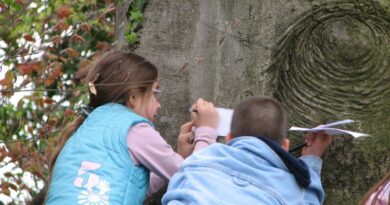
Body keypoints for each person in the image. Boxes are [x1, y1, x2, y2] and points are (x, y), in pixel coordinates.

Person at [45, 50, 219, 205]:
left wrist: (179, 156)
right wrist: (206, 131)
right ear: (134, 97)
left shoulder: (85, 131)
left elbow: (129, 185)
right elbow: (194, 178)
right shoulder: (133, 129)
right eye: (155, 93)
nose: (158, 105)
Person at [162, 96, 333, 205]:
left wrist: (204, 131)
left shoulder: (196, 162)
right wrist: (311, 159)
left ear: (229, 138)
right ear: (285, 147)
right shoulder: (292, 188)